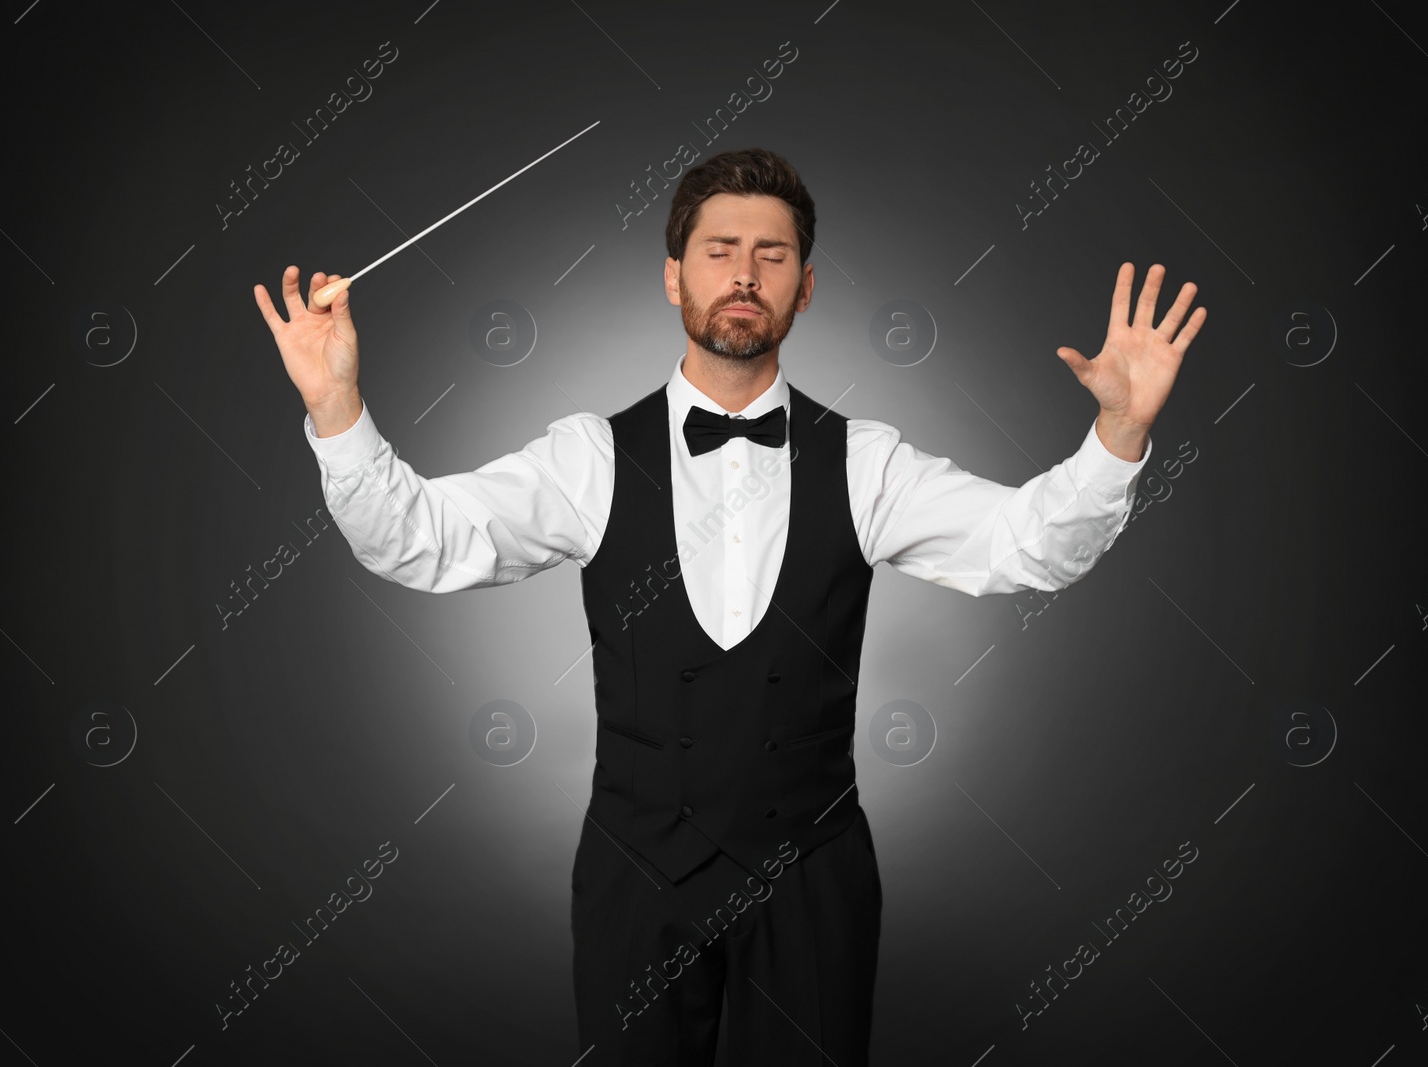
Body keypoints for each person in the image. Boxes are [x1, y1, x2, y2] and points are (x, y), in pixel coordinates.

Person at [253, 146, 1205, 1065]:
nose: (744, 274)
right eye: (720, 251)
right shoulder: (588, 456)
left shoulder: (864, 459)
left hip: (814, 882)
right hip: (634, 879)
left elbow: (1024, 545)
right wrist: (338, 408)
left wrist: (1117, 432)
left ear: (805, 285)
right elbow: (422, 540)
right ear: (675, 278)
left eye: (772, 255)